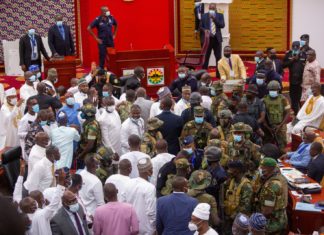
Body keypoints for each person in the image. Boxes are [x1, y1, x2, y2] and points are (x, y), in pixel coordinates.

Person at [255, 158, 287, 234]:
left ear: (269, 168)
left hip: (272, 223)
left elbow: (267, 211)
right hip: (281, 218)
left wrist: (256, 221)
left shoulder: (270, 186)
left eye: (263, 167)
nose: (261, 169)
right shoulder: (280, 178)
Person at [124, 158, 156, 235]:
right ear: (149, 171)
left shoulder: (128, 183)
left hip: (130, 227)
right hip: (146, 229)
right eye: (151, 169)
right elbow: (151, 212)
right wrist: (153, 228)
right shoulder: (150, 187)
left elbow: (122, 204)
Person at [224, 161, 253, 232]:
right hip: (229, 215)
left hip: (240, 219)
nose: (228, 172)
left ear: (236, 171)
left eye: (230, 170)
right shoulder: (231, 181)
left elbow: (245, 206)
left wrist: (232, 217)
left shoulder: (246, 186)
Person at [262, 80, 290, 153]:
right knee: (268, 146)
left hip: (280, 125)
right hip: (268, 126)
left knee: (282, 146)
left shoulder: (283, 99)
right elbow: (262, 115)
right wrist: (267, 127)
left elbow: (287, 112)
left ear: (278, 90)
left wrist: (280, 125)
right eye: (271, 90)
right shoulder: (264, 100)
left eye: (274, 90)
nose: (273, 91)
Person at [283, 41, 306, 114]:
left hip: (301, 81)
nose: (295, 48)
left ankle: (301, 113)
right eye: (293, 46)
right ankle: (295, 112)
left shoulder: (304, 54)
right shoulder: (288, 54)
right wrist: (292, 60)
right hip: (292, 80)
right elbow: (284, 65)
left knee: (300, 97)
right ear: (291, 47)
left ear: (299, 47)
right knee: (293, 97)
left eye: (297, 46)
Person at [201, 3, 225, 71]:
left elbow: (222, 25)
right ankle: (204, 72)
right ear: (208, 8)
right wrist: (205, 30)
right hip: (207, 39)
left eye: (213, 8)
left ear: (215, 9)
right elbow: (201, 26)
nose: (212, 10)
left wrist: (214, 19)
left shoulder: (220, 15)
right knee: (206, 57)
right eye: (210, 8)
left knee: (218, 57)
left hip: (217, 39)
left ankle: (219, 73)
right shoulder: (204, 16)